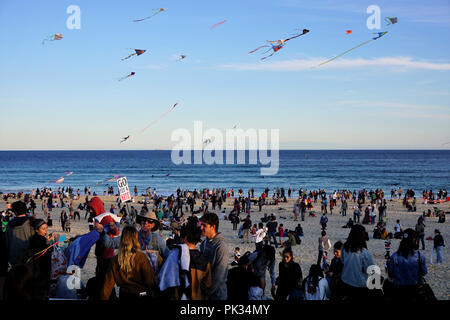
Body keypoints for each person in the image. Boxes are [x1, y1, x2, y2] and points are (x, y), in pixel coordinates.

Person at [100, 226, 156, 300]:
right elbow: (149, 281)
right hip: (141, 294)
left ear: (122, 239)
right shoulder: (141, 257)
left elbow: (108, 285)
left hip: (124, 295)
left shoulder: (116, 259)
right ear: (135, 239)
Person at [387, 228, 428, 300]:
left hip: (399, 289)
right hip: (415, 289)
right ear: (414, 240)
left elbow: (391, 274)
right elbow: (424, 272)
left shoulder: (394, 256)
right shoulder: (420, 255)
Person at [340, 224, 375, 300]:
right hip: (359, 284)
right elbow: (370, 269)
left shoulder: (344, 247)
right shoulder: (364, 252)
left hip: (345, 281)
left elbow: (342, 261)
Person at [199, 212, 229, 300]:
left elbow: (219, 275)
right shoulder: (204, 243)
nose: (201, 227)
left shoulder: (221, 246)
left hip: (217, 294)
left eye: (204, 225)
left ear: (213, 227)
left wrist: (207, 293)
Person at [28, 219, 58, 300]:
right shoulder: (35, 240)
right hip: (39, 270)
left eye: (46, 228)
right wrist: (47, 244)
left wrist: (48, 242)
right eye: (43, 229)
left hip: (43, 270)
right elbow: (41, 254)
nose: (46, 231)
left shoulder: (41, 238)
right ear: (36, 230)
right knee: (40, 292)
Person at [5, 201, 35, 266]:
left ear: (14, 212)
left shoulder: (9, 224)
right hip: (28, 257)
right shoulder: (31, 222)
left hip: (13, 256)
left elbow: (7, 243)